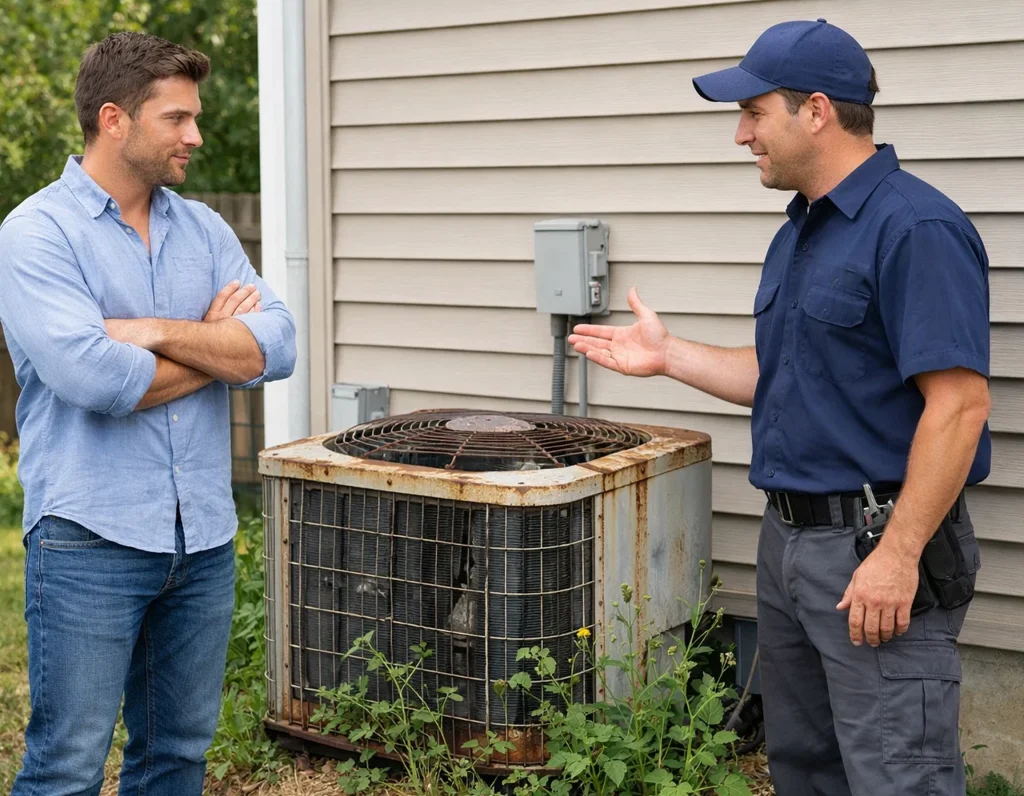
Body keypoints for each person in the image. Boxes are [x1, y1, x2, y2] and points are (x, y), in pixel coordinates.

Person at [569, 19, 989, 796]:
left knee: (898, 778)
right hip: (790, 544)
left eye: (755, 113)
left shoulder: (915, 228)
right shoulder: (801, 231)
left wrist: (896, 557)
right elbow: (786, 372)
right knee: (804, 770)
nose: (740, 134)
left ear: (817, 111)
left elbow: (959, 407)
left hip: (876, 545)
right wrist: (669, 357)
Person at [0, 32, 296, 795]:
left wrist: (157, 330)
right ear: (114, 120)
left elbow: (280, 346)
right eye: (177, 118)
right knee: (66, 767)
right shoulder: (36, 234)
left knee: (176, 760)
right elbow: (95, 377)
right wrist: (215, 346)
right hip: (88, 540)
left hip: (200, 540)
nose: (196, 135)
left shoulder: (204, 229)